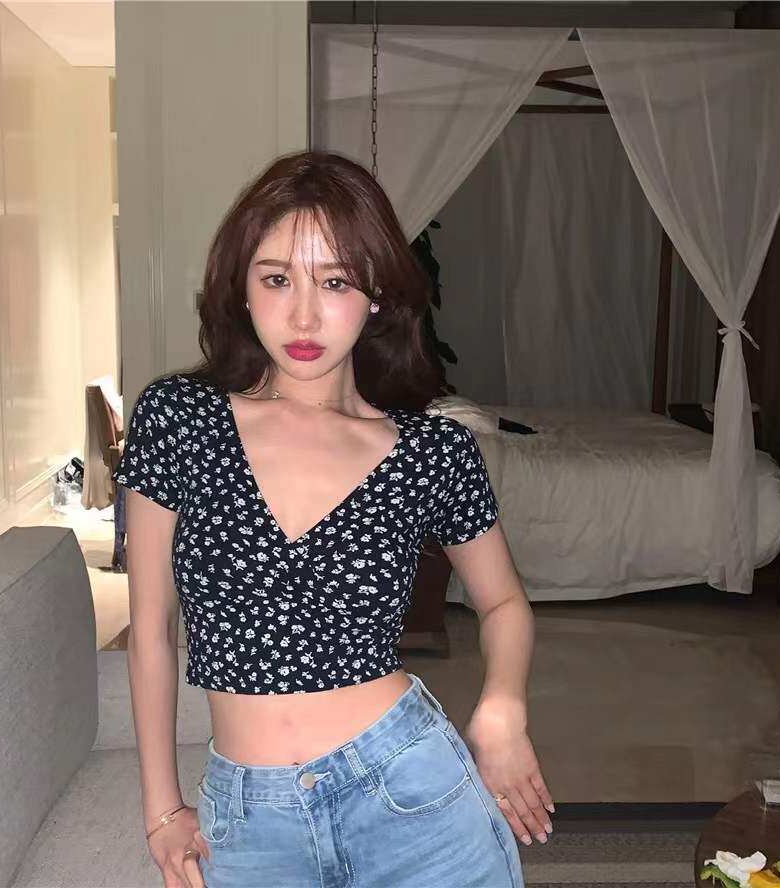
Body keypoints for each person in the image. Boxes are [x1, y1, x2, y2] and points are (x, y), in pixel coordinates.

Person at [112, 150, 553, 888]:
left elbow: (504, 601)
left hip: (409, 789)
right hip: (249, 819)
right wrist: (161, 806)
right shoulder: (179, 419)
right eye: (276, 279)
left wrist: (503, 706)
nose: (304, 315)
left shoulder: (431, 451)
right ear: (241, 288)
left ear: (376, 294)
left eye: (336, 281)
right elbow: (149, 630)